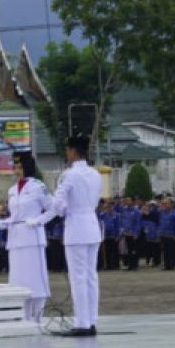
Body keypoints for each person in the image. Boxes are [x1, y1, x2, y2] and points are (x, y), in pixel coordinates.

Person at [30, 134, 102, 337]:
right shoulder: (95, 174)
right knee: (90, 277)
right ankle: (91, 320)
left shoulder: (69, 175)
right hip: (92, 226)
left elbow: (59, 207)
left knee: (78, 278)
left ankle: (82, 322)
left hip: (77, 229)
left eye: (67, 150)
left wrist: (44, 211)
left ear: (73, 151)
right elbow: (95, 201)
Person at [0, 152, 52, 322]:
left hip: (33, 238)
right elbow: (15, 217)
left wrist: (39, 220)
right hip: (16, 239)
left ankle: (38, 315)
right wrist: (2, 222)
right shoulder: (12, 190)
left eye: (20, 167)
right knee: (19, 280)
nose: (17, 171)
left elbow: (53, 208)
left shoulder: (38, 187)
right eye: (15, 167)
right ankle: (24, 316)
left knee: (35, 279)